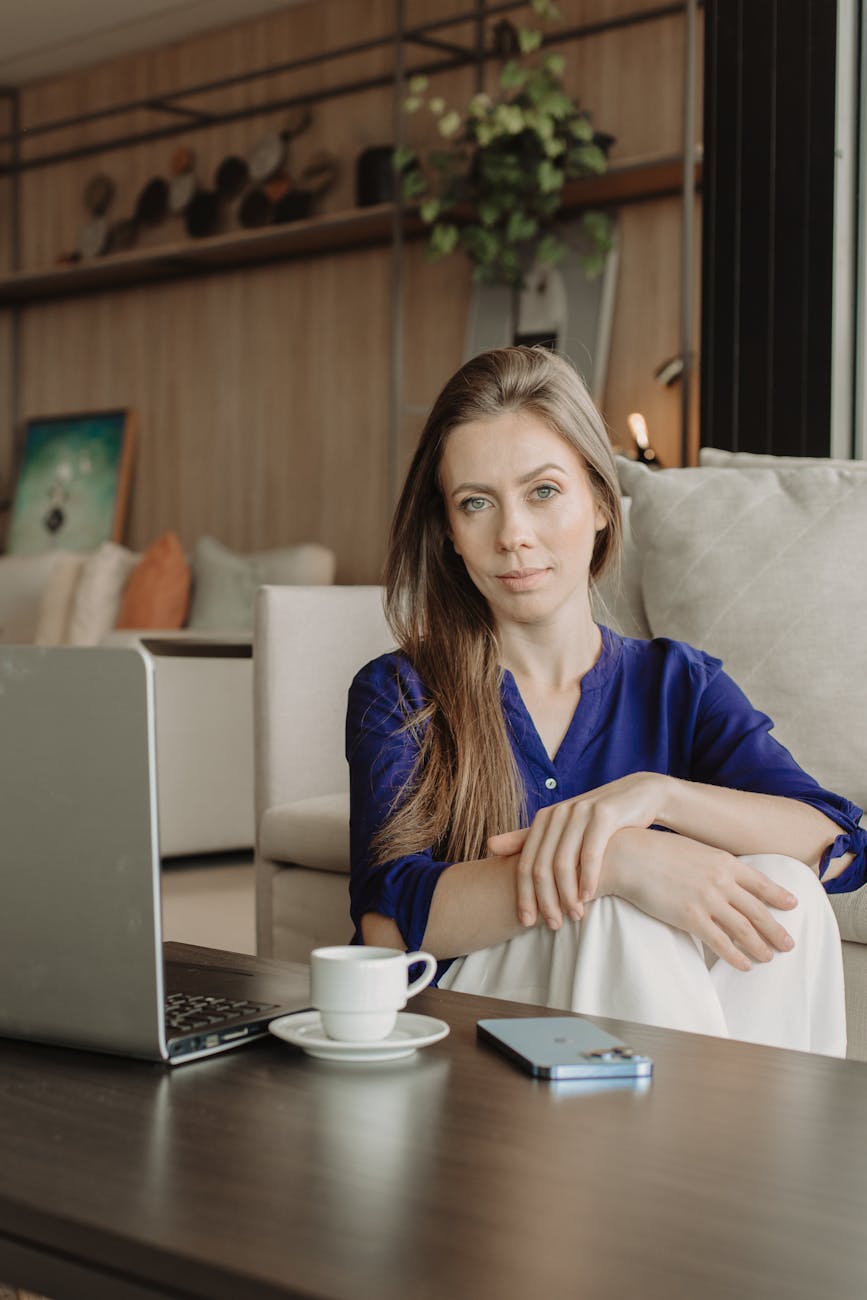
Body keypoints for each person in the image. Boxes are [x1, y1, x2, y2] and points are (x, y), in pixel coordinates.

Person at [347, 346, 866, 1055]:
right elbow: (384, 923)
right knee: (613, 910)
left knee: (790, 890)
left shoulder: (677, 683)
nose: (513, 536)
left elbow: (835, 844)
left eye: (543, 492)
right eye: (476, 503)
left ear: (597, 501)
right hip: (474, 1027)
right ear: (448, 534)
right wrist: (614, 862)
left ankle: (747, 1156)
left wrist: (654, 799)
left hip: (639, 1044)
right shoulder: (400, 692)